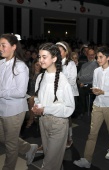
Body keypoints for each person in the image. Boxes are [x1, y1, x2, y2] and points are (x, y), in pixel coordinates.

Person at [73, 46, 109, 168]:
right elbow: (95, 85)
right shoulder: (96, 71)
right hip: (97, 105)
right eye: (97, 57)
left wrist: (103, 92)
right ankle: (87, 159)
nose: (98, 59)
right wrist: (95, 91)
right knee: (92, 133)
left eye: (101, 57)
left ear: (108, 58)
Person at [32, 43, 75, 170]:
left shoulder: (63, 80)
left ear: (54, 58)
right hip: (43, 121)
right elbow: (38, 97)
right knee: (53, 159)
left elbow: (69, 108)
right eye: (40, 56)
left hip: (59, 123)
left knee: (49, 163)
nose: (41, 60)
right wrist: (37, 106)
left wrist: (46, 109)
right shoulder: (40, 77)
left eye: (44, 57)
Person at [0, 33, 38, 170]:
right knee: (4, 137)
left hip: (14, 110)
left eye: (3, 45)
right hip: (2, 108)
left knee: (10, 145)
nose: (0, 48)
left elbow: (20, 92)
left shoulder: (21, 67)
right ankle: (29, 148)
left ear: (14, 47)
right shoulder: (1, 63)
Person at [56, 41, 79, 148]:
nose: (57, 53)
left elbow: (72, 81)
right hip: (57, 93)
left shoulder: (71, 64)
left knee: (67, 115)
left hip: (68, 93)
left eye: (59, 51)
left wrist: (60, 87)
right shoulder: (54, 62)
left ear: (66, 52)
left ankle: (69, 137)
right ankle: (59, 137)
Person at [77, 48, 98, 118]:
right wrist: (80, 82)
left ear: (95, 55)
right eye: (89, 55)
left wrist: (81, 80)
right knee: (76, 89)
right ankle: (78, 111)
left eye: (92, 55)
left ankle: (82, 111)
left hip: (92, 84)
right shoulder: (84, 65)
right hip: (83, 84)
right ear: (87, 55)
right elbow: (78, 75)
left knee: (81, 91)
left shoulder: (97, 64)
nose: (91, 56)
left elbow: (91, 77)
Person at [26, 58, 42, 128]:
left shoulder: (42, 75)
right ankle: (31, 118)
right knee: (29, 98)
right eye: (36, 65)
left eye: (39, 65)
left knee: (31, 99)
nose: (38, 66)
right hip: (29, 93)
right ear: (34, 65)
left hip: (37, 94)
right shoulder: (30, 75)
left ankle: (31, 119)